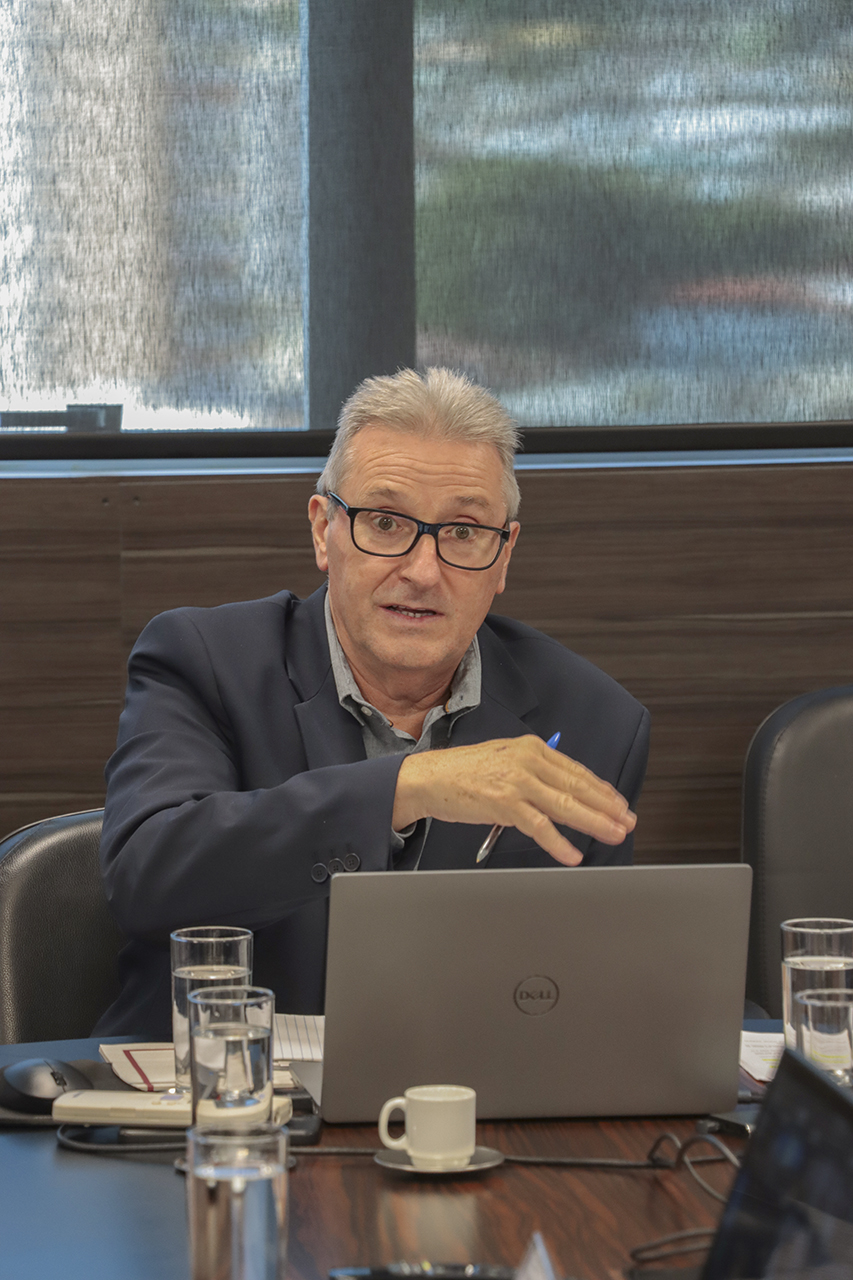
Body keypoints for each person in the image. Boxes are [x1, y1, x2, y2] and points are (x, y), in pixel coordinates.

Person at [95, 368, 650, 1037]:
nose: (422, 570)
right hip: (222, 1103)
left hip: (470, 1107)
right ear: (322, 529)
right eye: (385, 523)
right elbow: (150, 876)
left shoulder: (593, 719)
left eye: (464, 533)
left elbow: (598, 973)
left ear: (504, 556)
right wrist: (403, 787)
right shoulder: (204, 660)